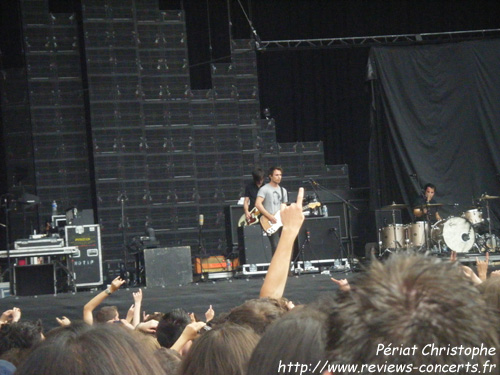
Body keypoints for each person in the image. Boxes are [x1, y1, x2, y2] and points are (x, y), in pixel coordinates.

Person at [255, 166, 288, 253]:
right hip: (270, 221)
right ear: (270, 176)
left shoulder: (283, 190)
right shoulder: (264, 189)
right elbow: (258, 204)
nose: (279, 177)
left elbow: (283, 205)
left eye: (280, 175)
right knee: (275, 245)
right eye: (276, 175)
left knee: (285, 246)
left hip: (281, 221)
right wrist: (269, 216)